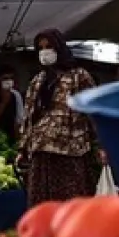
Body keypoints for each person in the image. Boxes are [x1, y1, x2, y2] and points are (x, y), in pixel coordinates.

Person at [18, 29, 100, 206]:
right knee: (42, 207)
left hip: (70, 153)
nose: (45, 52)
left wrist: (101, 145)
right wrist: (23, 149)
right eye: (41, 48)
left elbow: (93, 113)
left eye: (49, 47)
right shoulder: (38, 80)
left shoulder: (79, 76)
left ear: (60, 48)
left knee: (70, 206)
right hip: (41, 153)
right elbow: (28, 117)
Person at [0, 64, 24, 140]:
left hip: (10, 136)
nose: (9, 81)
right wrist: (4, 102)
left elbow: (18, 120)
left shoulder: (16, 95)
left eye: (11, 78)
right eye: (5, 78)